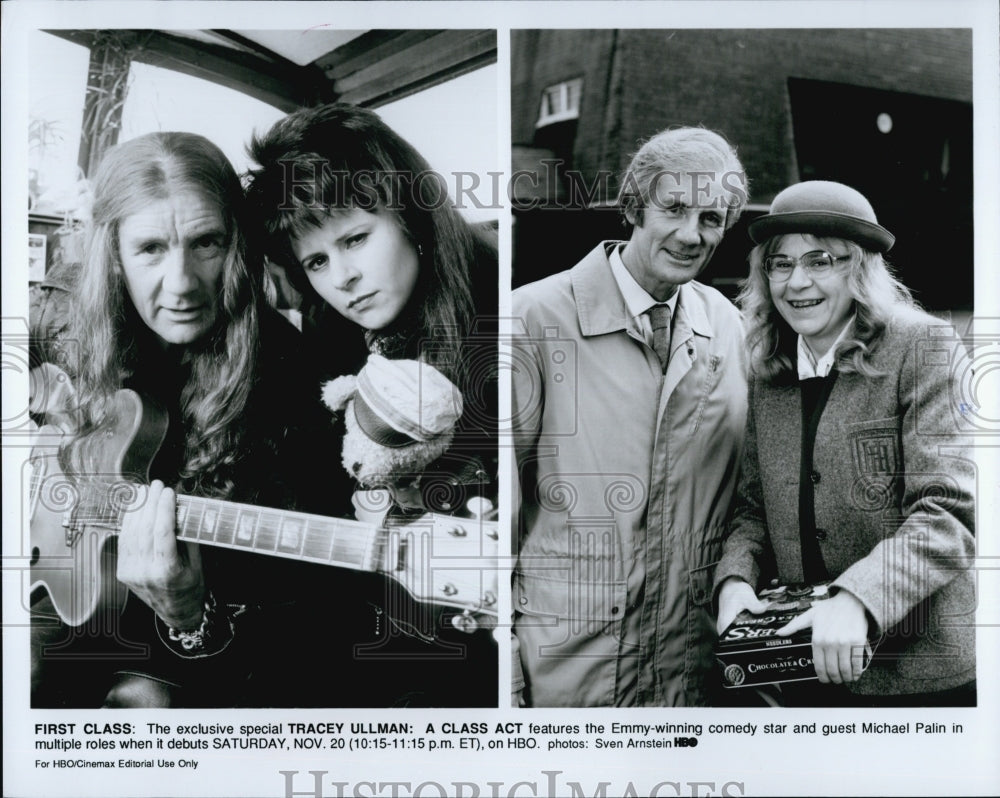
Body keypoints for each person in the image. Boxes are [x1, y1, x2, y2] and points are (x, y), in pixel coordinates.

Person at [30, 131, 356, 707]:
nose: (180, 284)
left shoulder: (298, 389)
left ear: (239, 247)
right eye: (151, 248)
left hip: (198, 642)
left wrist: (189, 615)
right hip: (60, 580)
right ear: (113, 256)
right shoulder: (61, 319)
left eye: (206, 244)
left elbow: (303, 638)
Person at [243, 103, 498, 706]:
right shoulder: (334, 335)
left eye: (356, 238)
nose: (344, 278)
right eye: (316, 261)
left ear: (410, 212)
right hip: (389, 623)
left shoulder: (503, 312)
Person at [511, 127, 749, 706]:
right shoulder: (533, 318)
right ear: (633, 207)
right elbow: (493, 510)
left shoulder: (726, 323)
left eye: (712, 219)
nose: (691, 235)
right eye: (674, 209)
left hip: (687, 667)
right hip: (567, 670)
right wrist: (505, 675)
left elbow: (746, 487)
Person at [714, 180, 976, 706]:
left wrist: (859, 598)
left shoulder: (923, 347)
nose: (796, 282)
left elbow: (948, 512)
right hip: (802, 671)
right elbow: (752, 510)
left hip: (916, 678)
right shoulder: (769, 369)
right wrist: (734, 581)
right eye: (780, 264)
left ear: (858, 268)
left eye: (820, 261)